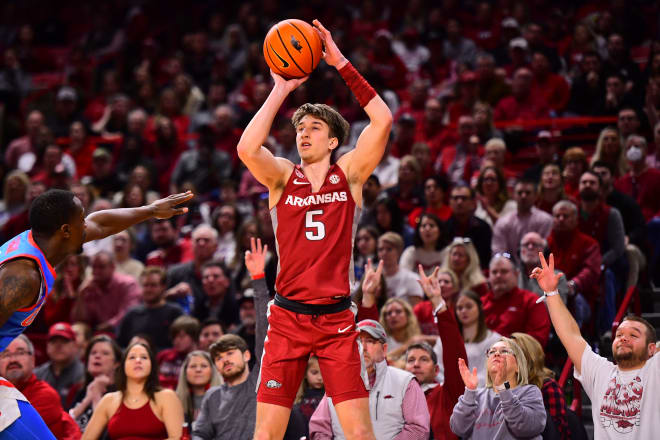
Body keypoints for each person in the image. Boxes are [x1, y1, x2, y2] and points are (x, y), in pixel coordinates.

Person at [240, 19, 393, 439]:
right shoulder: (282, 178)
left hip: (337, 322)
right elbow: (246, 148)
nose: (303, 134)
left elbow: (382, 119)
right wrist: (280, 90)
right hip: (287, 318)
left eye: (314, 129)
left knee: (361, 435)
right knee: (266, 435)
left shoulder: (351, 175)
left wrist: (339, 61)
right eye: (299, 129)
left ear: (332, 142)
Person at [0, 188, 192, 438]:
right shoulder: (23, 276)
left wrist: (152, 210)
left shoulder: (41, 241)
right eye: (81, 220)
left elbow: (101, 224)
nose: (86, 224)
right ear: (65, 231)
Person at [531, 253, 659, 439]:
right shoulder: (601, 372)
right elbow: (571, 336)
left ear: (651, 349)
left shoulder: (655, 370)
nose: (623, 338)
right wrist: (552, 293)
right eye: (619, 334)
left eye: (633, 335)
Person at [192, 238, 269, 439]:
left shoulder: (257, 382)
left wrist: (258, 278)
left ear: (246, 355)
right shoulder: (212, 397)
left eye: (229, 353)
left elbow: (263, 331)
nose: (224, 359)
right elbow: (200, 433)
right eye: (218, 358)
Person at [309, 319, 430, 439]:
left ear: (384, 349)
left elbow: (418, 429)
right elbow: (319, 429)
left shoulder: (405, 382)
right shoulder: (336, 384)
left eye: (370, 341)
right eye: (358, 342)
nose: (364, 348)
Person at [406, 265, 467, 440]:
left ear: (437, 370)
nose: (416, 364)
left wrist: (438, 303)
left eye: (424, 359)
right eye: (410, 360)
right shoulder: (395, 395)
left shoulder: (447, 394)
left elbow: (456, 355)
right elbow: (372, 352)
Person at [81, 342, 185, 439]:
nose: (138, 360)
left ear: (152, 366)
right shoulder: (109, 400)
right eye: (132, 357)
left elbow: (178, 438)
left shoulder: (166, 397)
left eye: (144, 357)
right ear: (123, 366)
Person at [450, 337, 547, 439]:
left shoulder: (529, 391)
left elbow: (528, 428)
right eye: (492, 352)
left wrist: (503, 388)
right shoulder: (476, 395)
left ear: (518, 366)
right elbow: (458, 429)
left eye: (504, 351)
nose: (496, 354)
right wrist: (469, 391)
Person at [0, 335, 81, 439]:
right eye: (6, 354)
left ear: (33, 360)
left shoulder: (45, 395)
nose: (13, 359)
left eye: (20, 353)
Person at [482, 254, 551, 347]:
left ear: (516, 274)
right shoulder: (480, 304)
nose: (498, 275)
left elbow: (538, 340)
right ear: (488, 276)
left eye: (504, 271)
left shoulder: (531, 301)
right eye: (494, 272)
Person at [511, 332, 570, 440]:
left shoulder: (548, 387)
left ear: (527, 357)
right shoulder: (500, 386)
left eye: (511, 353)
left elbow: (559, 433)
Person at [116, 266, 184, 351]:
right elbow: (120, 344)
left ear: (163, 287)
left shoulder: (175, 312)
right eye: (145, 285)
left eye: (153, 285)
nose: (148, 289)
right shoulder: (132, 314)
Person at [68, 335, 122, 432]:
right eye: (93, 353)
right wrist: (88, 399)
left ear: (116, 364)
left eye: (105, 353)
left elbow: (110, 431)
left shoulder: (120, 394)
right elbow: (65, 425)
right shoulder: (79, 389)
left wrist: (96, 395)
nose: (97, 356)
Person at [491, 178, 553, 257]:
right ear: (513, 195)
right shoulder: (503, 222)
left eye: (528, 193)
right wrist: (509, 258)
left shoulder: (545, 220)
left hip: (539, 264)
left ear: (536, 196)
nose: (523, 196)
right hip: (510, 264)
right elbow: (498, 252)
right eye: (520, 193)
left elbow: (547, 248)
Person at [455, 290, 501, 387]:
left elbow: (493, 369)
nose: (463, 311)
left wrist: (470, 383)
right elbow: (439, 368)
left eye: (469, 306)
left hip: (483, 391)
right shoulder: (448, 340)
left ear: (480, 308)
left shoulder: (494, 339)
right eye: (459, 308)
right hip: (452, 391)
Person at [34, 322, 85, 407]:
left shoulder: (84, 374)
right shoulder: (37, 375)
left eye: (64, 341)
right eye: (54, 341)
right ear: (47, 346)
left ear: (75, 345)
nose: (58, 346)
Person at [175, 350, 223, 425]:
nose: (198, 370)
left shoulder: (226, 398)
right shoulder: (175, 400)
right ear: (185, 372)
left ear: (212, 371)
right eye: (193, 366)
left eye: (204, 366)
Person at [377, 232, 425, 305]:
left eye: (389, 249)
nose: (384, 253)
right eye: (380, 249)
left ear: (399, 251)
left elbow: (417, 311)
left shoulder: (412, 278)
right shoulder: (373, 278)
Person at [156, 315, 200, 390]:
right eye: (174, 337)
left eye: (181, 336)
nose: (176, 341)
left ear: (194, 336)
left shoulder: (201, 359)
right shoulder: (163, 355)